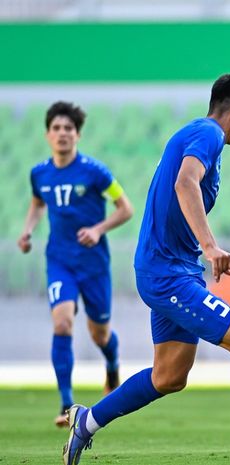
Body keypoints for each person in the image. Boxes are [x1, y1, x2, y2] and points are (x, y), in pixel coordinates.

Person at [62, 74, 230, 465]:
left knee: (169, 376)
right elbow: (185, 184)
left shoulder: (199, 135)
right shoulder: (209, 134)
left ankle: (86, 422)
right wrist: (210, 246)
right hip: (166, 273)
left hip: (175, 271)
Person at [18, 101, 133, 428]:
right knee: (62, 323)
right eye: (57, 128)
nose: (62, 133)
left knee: (99, 334)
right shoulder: (39, 173)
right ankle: (67, 404)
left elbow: (126, 208)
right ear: (47, 134)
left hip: (94, 264)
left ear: (78, 135)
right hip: (59, 260)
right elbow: (38, 203)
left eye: (68, 128)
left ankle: (112, 364)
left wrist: (98, 230)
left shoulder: (96, 172)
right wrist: (27, 231)